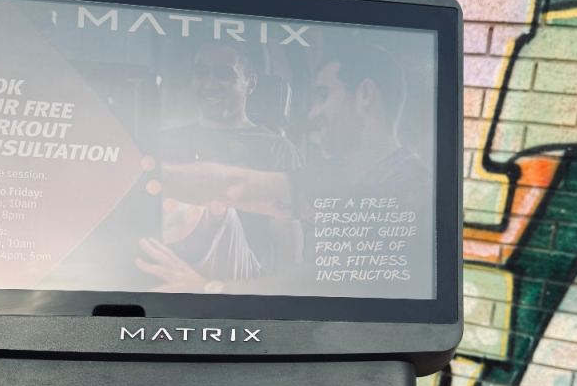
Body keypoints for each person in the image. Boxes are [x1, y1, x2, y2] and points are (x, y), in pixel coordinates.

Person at [137, 36, 433, 299]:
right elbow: (241, 187)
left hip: (250, 292)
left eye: (322, 96)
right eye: (201, 72)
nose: (312, 113)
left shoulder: (415, 191)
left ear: (365, 95)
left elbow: (311, 279)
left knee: (220, 214)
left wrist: (207, 289)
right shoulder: (338, 179)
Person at [136, 42, 302, 291]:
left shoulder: (277, 148)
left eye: (224, 74)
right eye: (202, 73)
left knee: (216, 208)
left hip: (242, 279)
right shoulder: (164, 141)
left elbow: (288, 249)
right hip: (165, 261)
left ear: (250, 82)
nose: (210, 83)